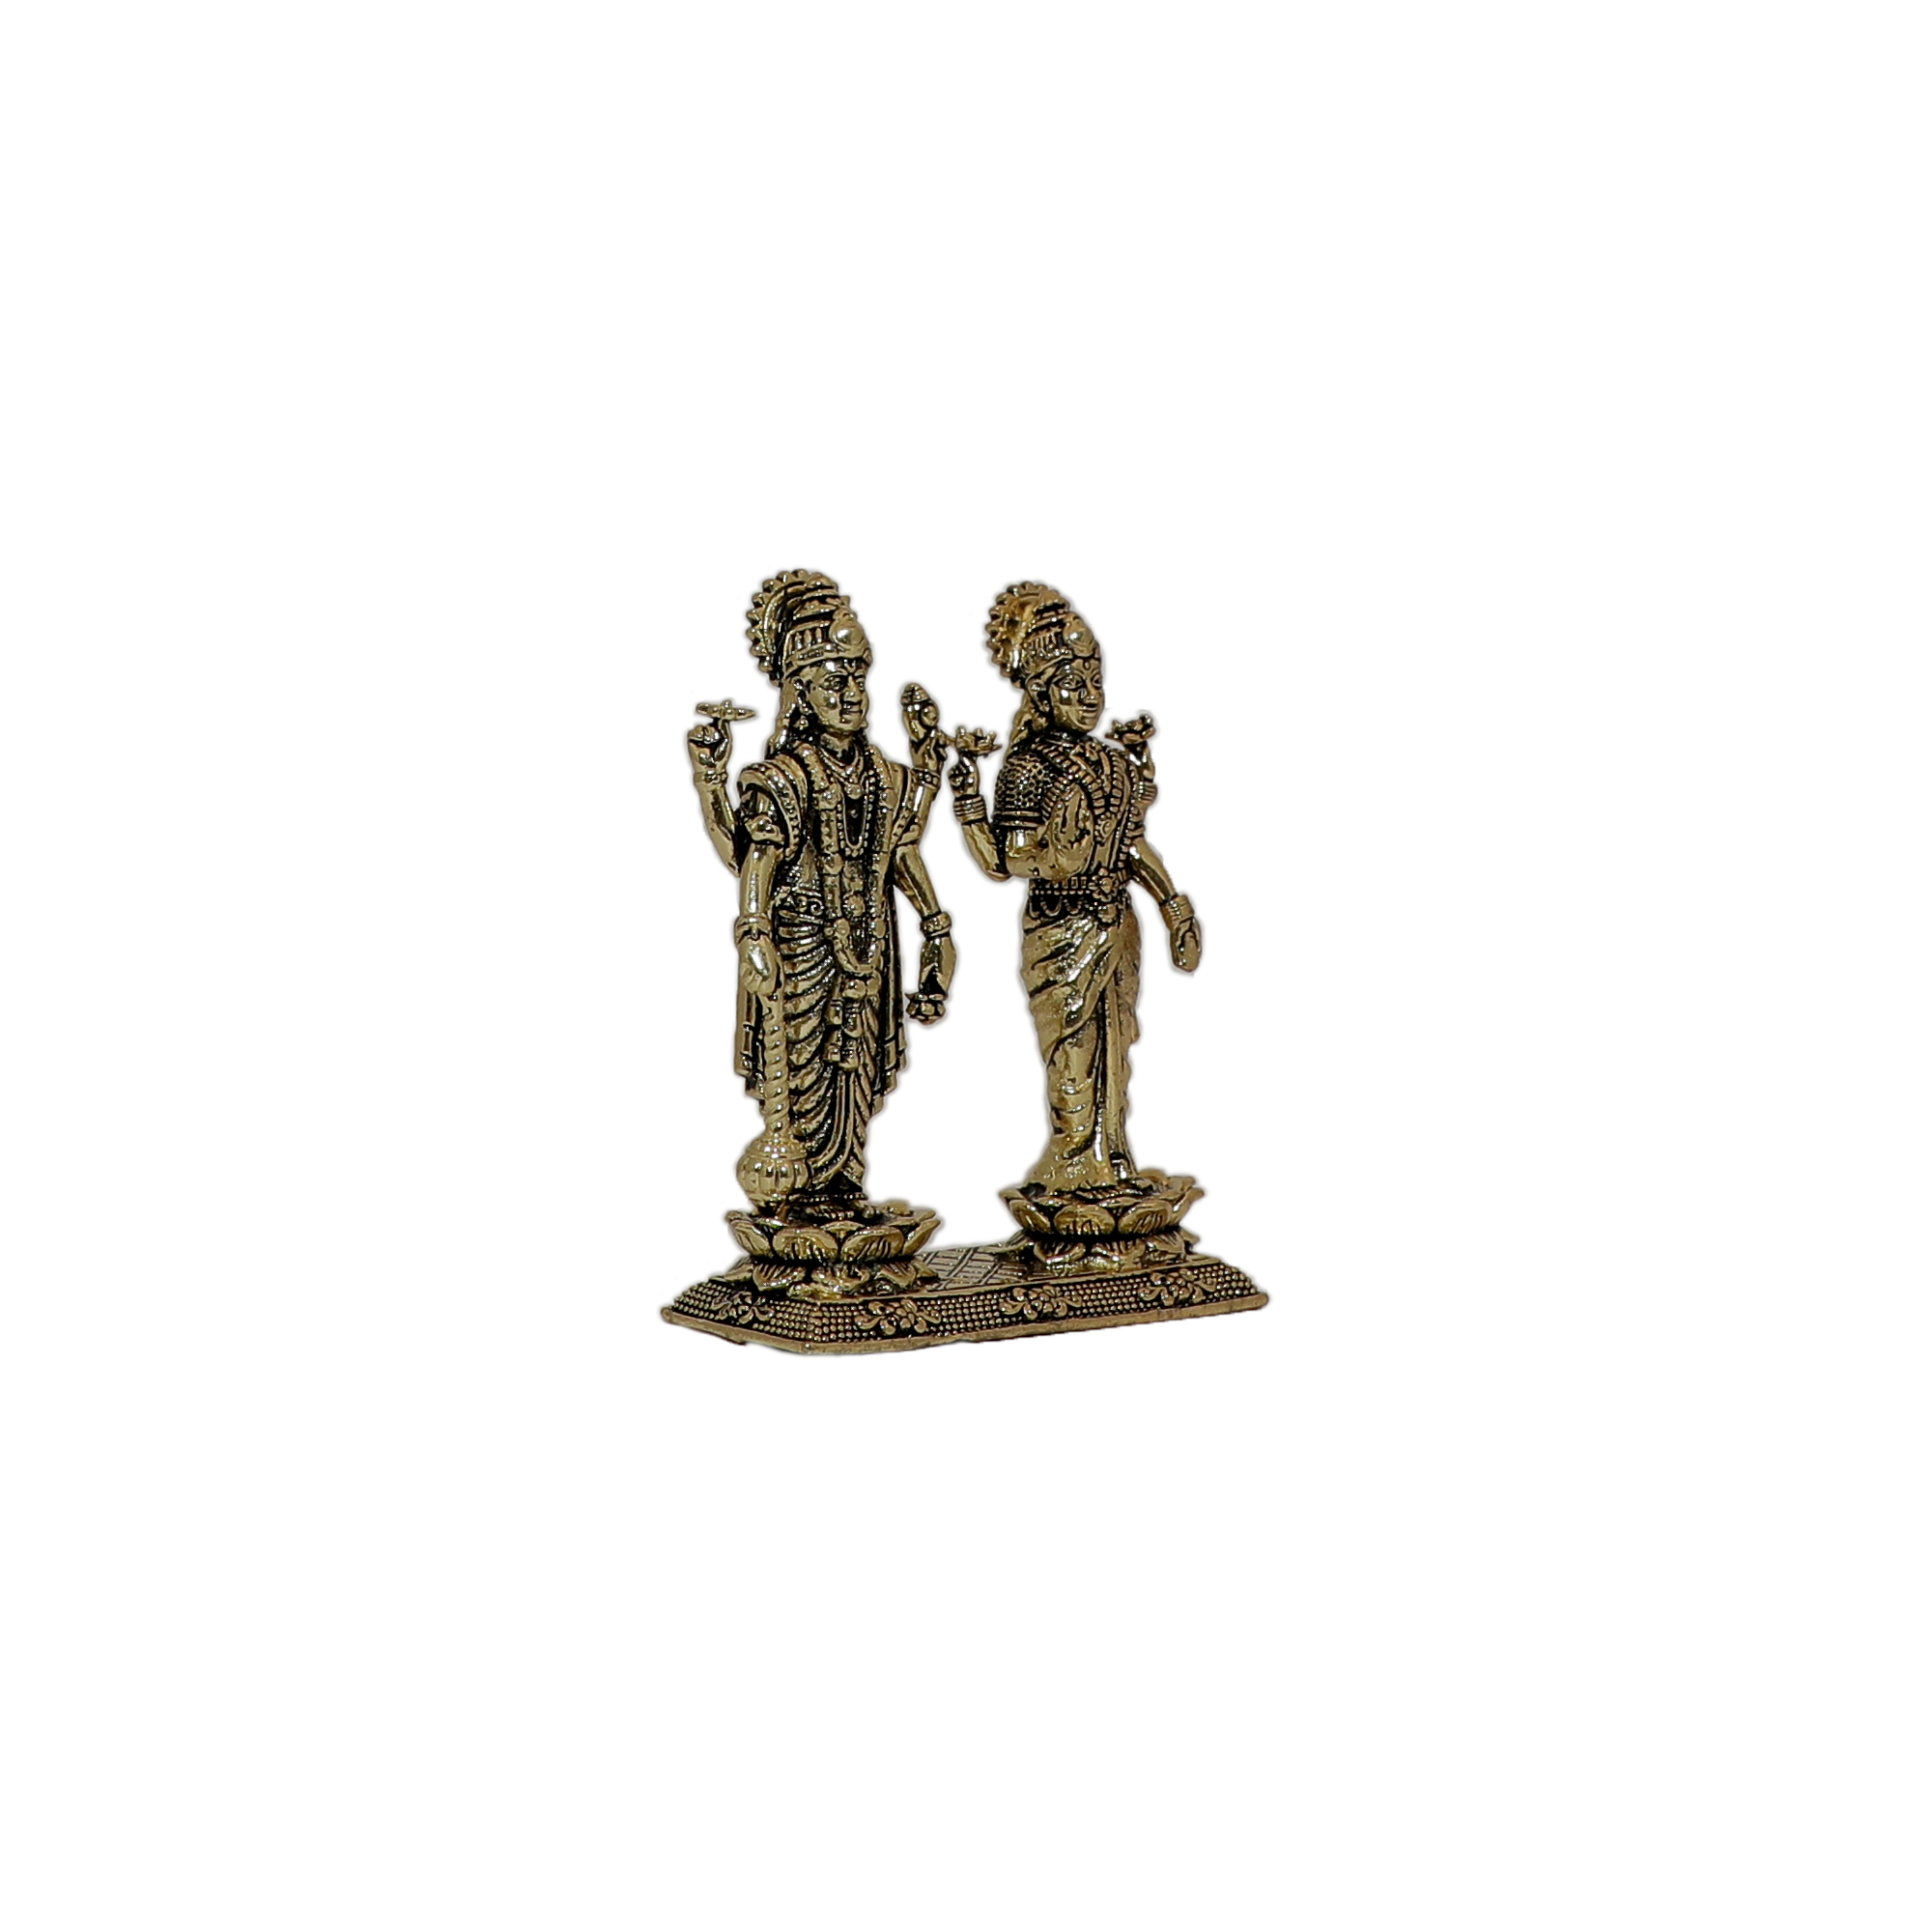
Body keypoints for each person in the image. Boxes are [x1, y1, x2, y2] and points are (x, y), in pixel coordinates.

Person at [689, 570, 953, 1209]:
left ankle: (841, 1193)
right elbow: (752, 859)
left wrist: (934, 925)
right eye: (834, 683)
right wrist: (754, 930)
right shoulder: (783, 777)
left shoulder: (883, 774)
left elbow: (900, 848)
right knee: (802, 1076)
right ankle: (799, 1203)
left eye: (858, 680)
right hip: (802, 943)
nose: (852, 695)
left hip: (869, 944)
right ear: (801, 694)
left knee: (855, 1073)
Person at [950, 582, 1202, 1198]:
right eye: (1071, 683)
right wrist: (990, 818)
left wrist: (1173, 906)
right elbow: (1007, 860)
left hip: (1116, 921)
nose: (1089, 697)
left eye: (1095, 681)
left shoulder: (1113, 764)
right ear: (1039, 692)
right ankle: (1071, 1160)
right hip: (1060, 928)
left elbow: (1130, 845)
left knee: (1118, 1042)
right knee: (1072, 1046)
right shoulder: (1027, 767)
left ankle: (1110, 1158)